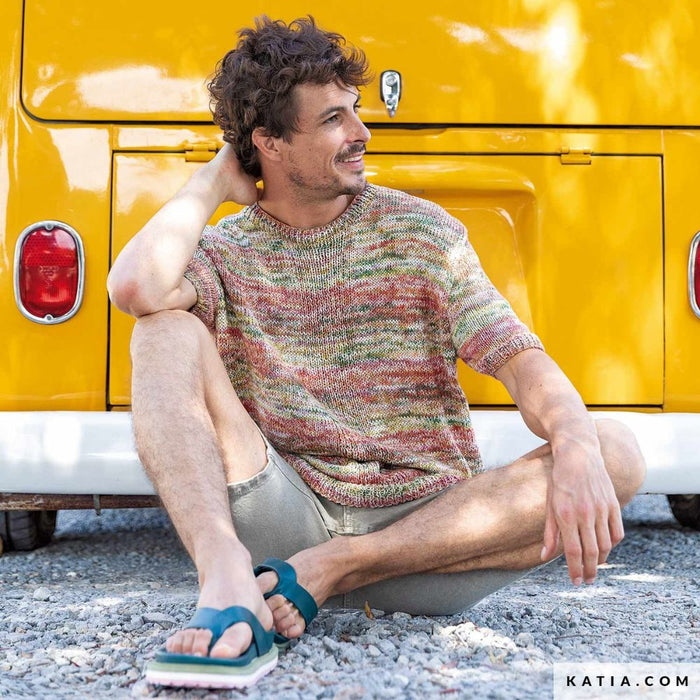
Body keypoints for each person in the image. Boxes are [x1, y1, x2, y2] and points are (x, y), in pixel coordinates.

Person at [107, 15, 646, 689]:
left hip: (425, 535)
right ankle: (226, 579)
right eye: (333, 119)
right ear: (268, 143)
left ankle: (336, 569)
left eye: (355, 111)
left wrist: (575, 443)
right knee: (163, 328)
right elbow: (136, 288)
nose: (362, 132)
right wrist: (213, 180)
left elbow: (518, 358)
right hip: (286, 514)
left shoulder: (421, 232)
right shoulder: (223, 253)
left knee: (614, 450)